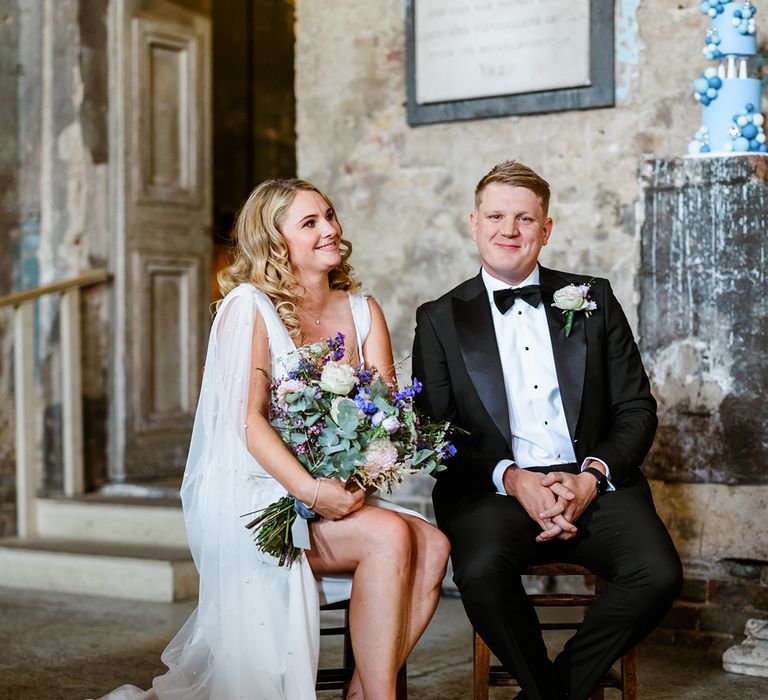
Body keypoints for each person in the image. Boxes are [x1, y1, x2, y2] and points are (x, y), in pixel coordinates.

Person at [93, 178, 449, 700]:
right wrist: (311, 492)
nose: (330, 228)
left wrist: (353, 482)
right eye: (310, 223)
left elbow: (387, 420)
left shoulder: (362, 309)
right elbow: (248, 422)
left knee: (436, 545)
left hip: (337, 489)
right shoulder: (248, 307)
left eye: (329, 215)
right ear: (274, 240)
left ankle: (360, 690)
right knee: (391, 536)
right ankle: (380, 696)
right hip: (258, 497)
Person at [411, 161, 682, 700]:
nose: (508, 230)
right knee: (481, 571)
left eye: (524, 218)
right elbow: (432, 433)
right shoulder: (439, 318)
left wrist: (590, 477)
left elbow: (635, 408)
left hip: (594, 481)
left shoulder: (594, 298)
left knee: (658, 574)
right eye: (495, 216)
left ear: (547, 228)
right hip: (492, 490)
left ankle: (550, 692)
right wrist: (512, 480)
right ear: (473, 223)